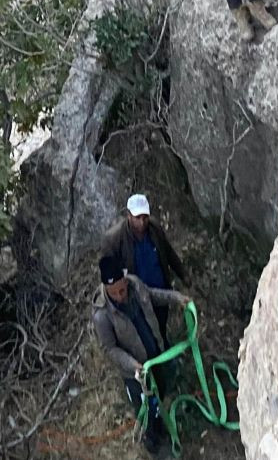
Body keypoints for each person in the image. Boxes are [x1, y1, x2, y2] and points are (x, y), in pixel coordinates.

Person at [93, 255, 190, 455]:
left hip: (155, 357)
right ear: (106, 289)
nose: (121, 295)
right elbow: (109, 349)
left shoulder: (135, 285)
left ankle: (162, 420)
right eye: (115, 293)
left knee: (160, 393)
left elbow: (152, 295)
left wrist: (176, 298)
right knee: (145, 408)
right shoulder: (102, 315)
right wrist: (132, 365)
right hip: (136, 373)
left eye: (122, 289)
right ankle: (154, 444)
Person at [101, 194, 188, 340]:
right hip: (138, 297)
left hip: (161, 289)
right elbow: (109, 275)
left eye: (145, 217)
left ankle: (165, 349)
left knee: (161, 325)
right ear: (128, 215)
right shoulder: (114, 240)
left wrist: (184, 276)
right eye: (137, 217)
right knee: (146, 334)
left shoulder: (154, 229)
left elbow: (168, 252)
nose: (142, 222)